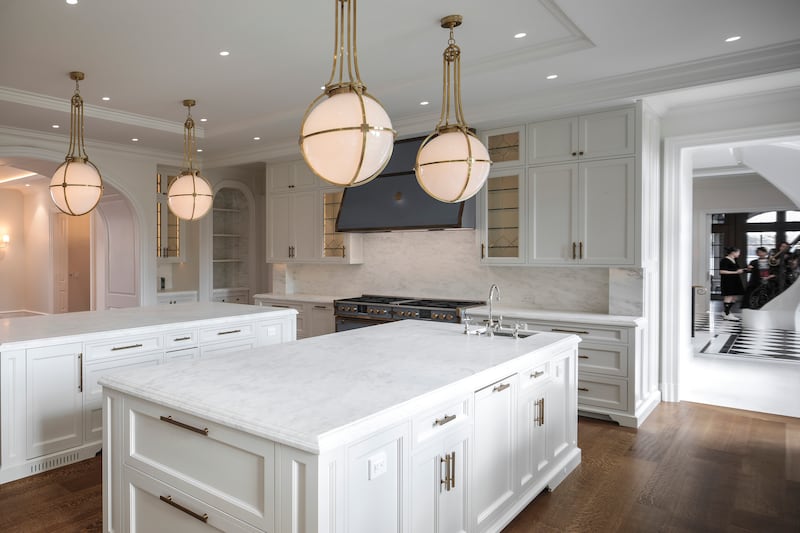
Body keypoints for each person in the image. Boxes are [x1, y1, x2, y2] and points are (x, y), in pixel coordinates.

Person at [719, 246, 745, 320]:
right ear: (733, 252)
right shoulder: (724, 260)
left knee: (734, 297)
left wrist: (744, 269)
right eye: (738, 252)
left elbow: (737, 269)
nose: (739, 254)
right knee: (728, 296)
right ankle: (727, 314)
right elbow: (722, 271)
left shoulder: (734, 260)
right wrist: (735, 272)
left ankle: (725, 311)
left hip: (735, 280)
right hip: (728, 280)